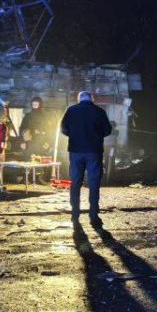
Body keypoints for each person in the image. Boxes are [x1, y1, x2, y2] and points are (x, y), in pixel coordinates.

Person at [60, 91, 112, 224]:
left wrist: (75, 136)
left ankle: (75, 214)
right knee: (94, 183)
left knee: (75, 183)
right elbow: (107, 130)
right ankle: (93, 216)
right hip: (94, 152)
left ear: (79, 99)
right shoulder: (99, 111)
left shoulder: (71, 110)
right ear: (92, 99)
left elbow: (63, 129)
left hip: (76, 151)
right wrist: (96, 135)